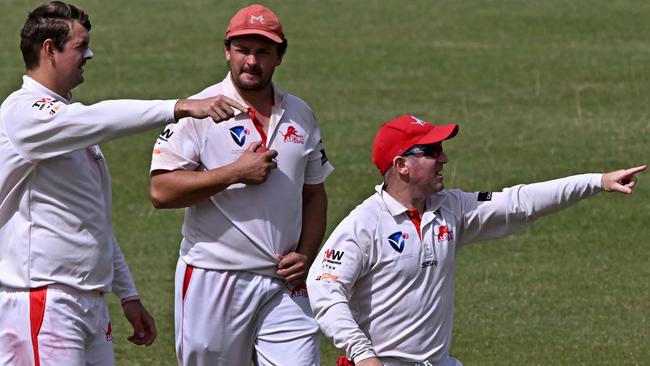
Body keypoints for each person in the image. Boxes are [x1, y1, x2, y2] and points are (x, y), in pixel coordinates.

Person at [0, 2, 245, 365]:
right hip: (42, 301)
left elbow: (92, 218)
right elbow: (99, 118)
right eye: (81, 47)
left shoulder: (65, 121)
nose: (90, 55)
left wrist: (127, 295)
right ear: (49, 49)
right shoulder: (24, 114)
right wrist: (178, 106)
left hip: (87, 303)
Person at [306, 114, 646, 366]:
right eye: (433, 150)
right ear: (402, 165)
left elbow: (519, 202)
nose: (444, 158)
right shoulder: (364, 224)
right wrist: (363, 355)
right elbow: (324, 289)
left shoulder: (449, 208)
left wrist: (597, 181)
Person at [149, 4, 334, 366]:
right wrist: (235, 172)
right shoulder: (199, 112)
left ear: (280, 56)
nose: (252, 61)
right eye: (243, 50)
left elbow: (314, 193)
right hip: (214, 278)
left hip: (284, 284)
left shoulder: (301, 113)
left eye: (263, 51)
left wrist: (307, 252)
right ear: (227, 51)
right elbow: (161, 191)